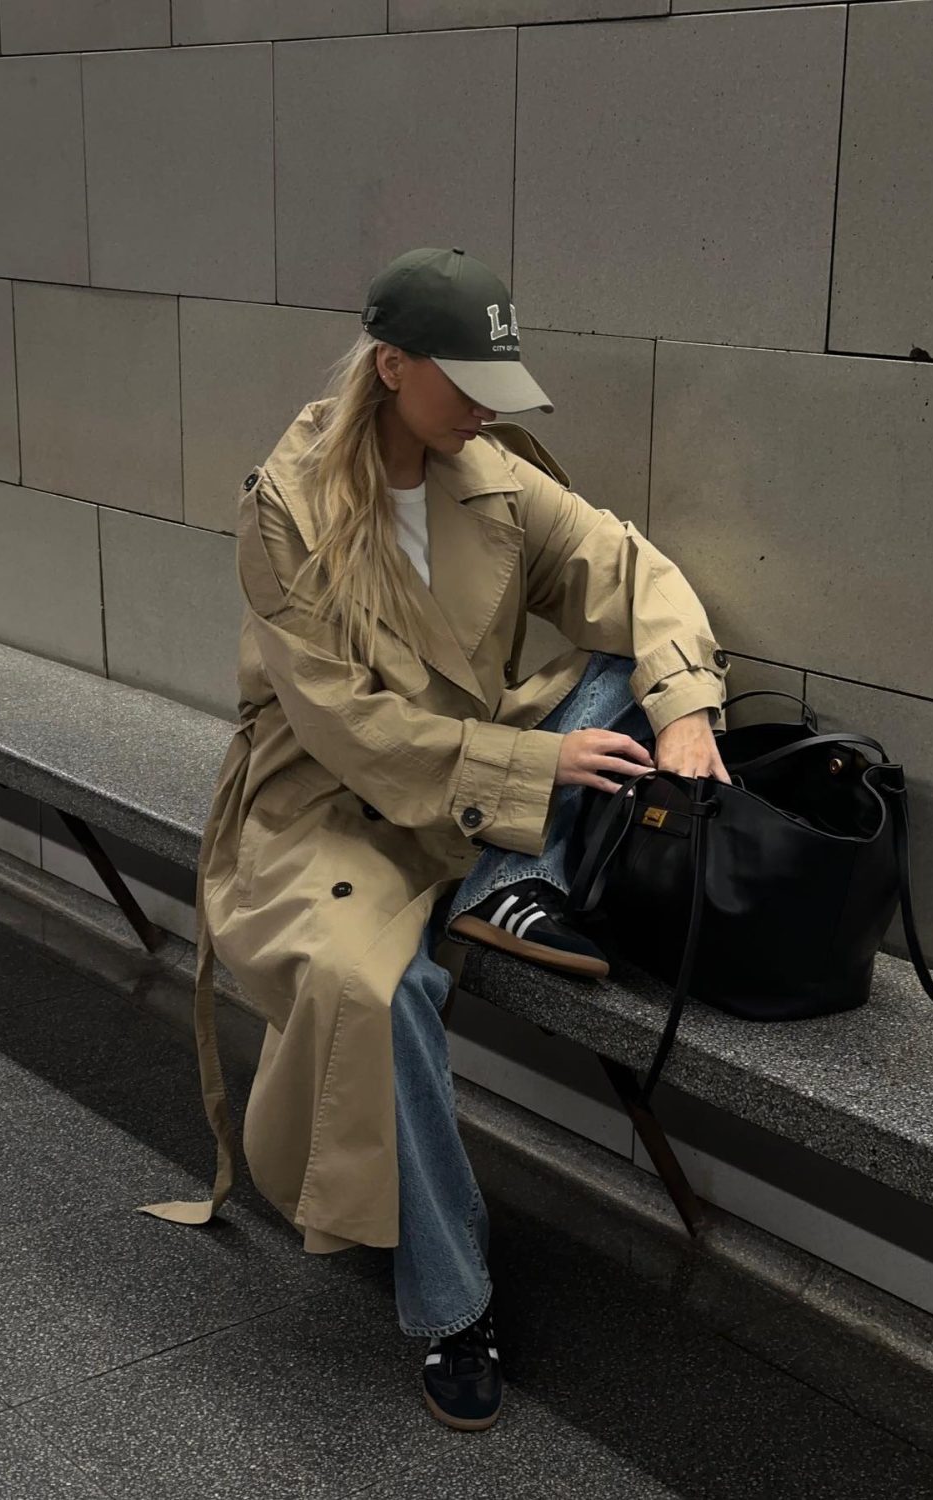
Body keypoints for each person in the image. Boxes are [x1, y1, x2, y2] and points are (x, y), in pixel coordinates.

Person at [138, 247, 733, 1432]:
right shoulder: (289, 507)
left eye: (496, 382)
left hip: (482, 783)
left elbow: (625, 570)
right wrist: (537, 766)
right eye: (463, 382)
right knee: (373, 985)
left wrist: (687, 716)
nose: (484, 408)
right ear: (390, 365)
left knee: (627, 663)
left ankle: (509, 885)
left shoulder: (493, 475)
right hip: (330, 799)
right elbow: (349, 727)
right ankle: (451, 1302)